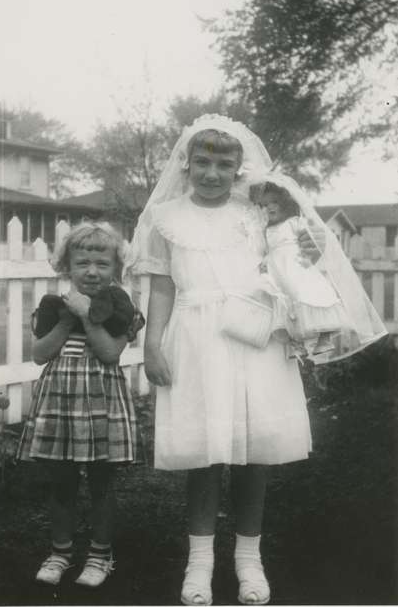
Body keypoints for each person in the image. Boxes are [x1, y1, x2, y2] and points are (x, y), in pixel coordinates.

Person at [125, 114, 386, 606]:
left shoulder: (256, 212)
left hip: (254, 337)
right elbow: (161, 285)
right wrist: (152, 344)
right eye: (202, 162)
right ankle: (199, 564)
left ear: (239, 168)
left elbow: (288, 266)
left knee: (254, 455)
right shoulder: (165, 218)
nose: (212, 173)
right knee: (204, 456)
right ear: (186, 164)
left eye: (224, 164)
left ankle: (249, 560)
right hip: (196, 339)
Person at [17, 221, 144, 588]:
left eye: (102, 264)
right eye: (83, 263)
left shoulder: (121, 308)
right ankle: (60, 552)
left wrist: (88, 315)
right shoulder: (53, 305)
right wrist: (67, 317)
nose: (92, 271)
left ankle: (100, 556)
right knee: (62, 481)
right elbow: (40, 355)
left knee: (102, 482)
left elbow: (108, 353)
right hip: (60, 401)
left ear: (116, 269)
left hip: (101, 401)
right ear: (67, 267)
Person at [251, 180, 350, 358]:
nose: (269, 208)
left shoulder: (293, 222)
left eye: (274, 202)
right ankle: (296, 345)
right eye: (264, 205)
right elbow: (264, 249)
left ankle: (323, 339)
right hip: (276, 269)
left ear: (285, 203)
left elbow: (311, 235)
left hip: (295, 264)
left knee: (306, 294)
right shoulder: (265, 230)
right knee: (282, 302)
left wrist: (310, 251)